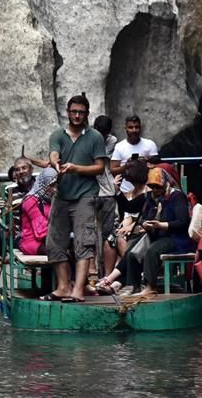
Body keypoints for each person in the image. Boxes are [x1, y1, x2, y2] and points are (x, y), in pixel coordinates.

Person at [41, 94, 107, 302]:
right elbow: (53, 153)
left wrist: (76, 168)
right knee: (54, 241)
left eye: (81, 112)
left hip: (85, 195)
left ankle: (78, 289)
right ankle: (62, 287)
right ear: (67, 113)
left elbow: (100, 168)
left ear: (87, 114)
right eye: (73, 112)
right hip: (62, 195)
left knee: (84, 241)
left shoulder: (95, 137)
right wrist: (55, 163)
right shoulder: (58, 135)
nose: (77, 116)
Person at [96, 167, 192, 296]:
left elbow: (182, 222)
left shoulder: (177, 197)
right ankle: (132, 285)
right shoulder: (150, 197)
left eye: (158, 187)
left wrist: (161, 225)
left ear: (166, 184)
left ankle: (150, 286)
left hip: (175, 238)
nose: (155, 190)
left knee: (152, 251)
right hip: (155, 235)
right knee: (131, 252)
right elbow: (130, 207)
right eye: (152, 187)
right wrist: (118, 192)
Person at [101, 158, 149, 277]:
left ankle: (132, 273)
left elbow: (137, 211)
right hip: (126, 225)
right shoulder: (131, 191)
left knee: (121, 239)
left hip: (142, 228)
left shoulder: (148, 193)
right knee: (110, 241)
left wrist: (131, 226)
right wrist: (117, 191)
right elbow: (126, 209)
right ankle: (108, 276)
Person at [92, 115, 117, 277]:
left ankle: (107, 276)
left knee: (108, 234)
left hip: (107, 192)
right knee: (90, 233)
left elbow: (98, 160)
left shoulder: (111, 141)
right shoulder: (89, 137)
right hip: (91, 192)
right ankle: (92, 273)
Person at [19, 167, 57, 255]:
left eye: (56, 184)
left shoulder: (52, 199)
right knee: (60, 253)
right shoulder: (30, 200)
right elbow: (41, 231)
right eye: (51, 185)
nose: (54, 188)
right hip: (33, 242)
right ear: (43, 183)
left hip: (51, 239)